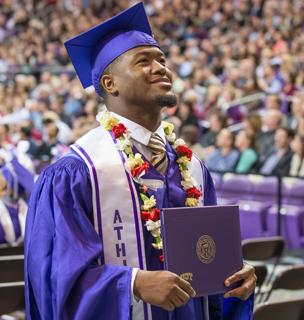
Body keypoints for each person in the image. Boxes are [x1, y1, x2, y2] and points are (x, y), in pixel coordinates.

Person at [25, 3, 255, 320]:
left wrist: (236, 278)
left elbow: (210, 265)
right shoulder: (79, 172)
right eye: (143, 61)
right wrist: (132, 284)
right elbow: (55, 278)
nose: (160, 67)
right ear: (110, 84)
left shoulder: (194, 170)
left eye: (161, 59)